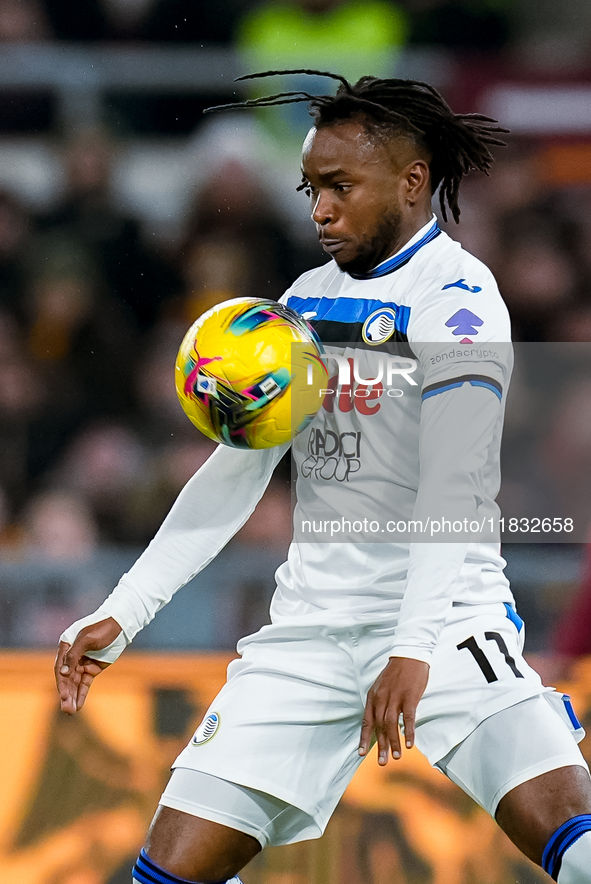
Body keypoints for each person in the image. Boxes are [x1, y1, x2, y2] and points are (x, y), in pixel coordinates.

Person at [55, 71, 591, 884]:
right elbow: (235, 474)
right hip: (309, 636)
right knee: (166, 874)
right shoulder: (300, 304)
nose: (319, 210)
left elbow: (451, 487)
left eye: (340, 186)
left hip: (444, 624)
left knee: (576, 846)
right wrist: (124, 612)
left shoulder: (460, 303)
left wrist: (410, 650)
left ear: (412, 182)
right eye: (311, 188)